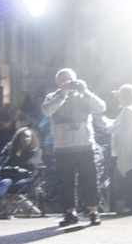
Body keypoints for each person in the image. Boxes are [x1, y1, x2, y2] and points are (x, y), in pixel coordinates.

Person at [41, 69, 106, 227]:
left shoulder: (83, 95)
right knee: (65, 182)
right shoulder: (53, 96)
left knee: (89, 180)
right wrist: (62, 94)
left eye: (70, 79)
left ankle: (93, 211)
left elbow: (101, 108)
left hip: (84, 144)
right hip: (63, 147)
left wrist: (86, 91)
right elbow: (46, 110)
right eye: (63, 80)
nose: (68, 82)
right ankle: (70, 212)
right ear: (58, 82)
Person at [102, 84, 132, 215]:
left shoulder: (127, 110)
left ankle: (129, 206)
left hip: (128, 151)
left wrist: (106, 125)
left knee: (127, 181)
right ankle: (131, 205)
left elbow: (119, 127)